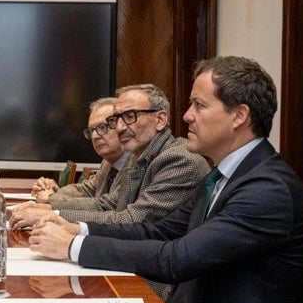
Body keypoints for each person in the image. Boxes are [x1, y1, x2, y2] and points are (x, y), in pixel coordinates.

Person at [28, 57, 303, 303]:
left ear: (239, 115)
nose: (187, 116)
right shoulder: (224, 175)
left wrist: (72, 249)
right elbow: (158, 231)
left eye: (199, 105)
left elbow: (179, 258)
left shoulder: (266, 189)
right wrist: (76, 228)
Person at [12, 84, 208, 228]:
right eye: (117, 119)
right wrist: (49, 208)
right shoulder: (139, 156)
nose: (121, 127)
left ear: (160, 119)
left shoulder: (180, 160)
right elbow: (110, 204)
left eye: (130, 116)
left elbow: (133, 220)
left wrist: (53, 214)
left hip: (153, 279)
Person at [27, 97, 127, 209]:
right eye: (91, 130)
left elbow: (106, 206)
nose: (95, 136)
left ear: (122, 126)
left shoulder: (136, 165)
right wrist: (53, 191)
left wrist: (50, 198)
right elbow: (85, 189)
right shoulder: (108, 163)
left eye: (103, 127)